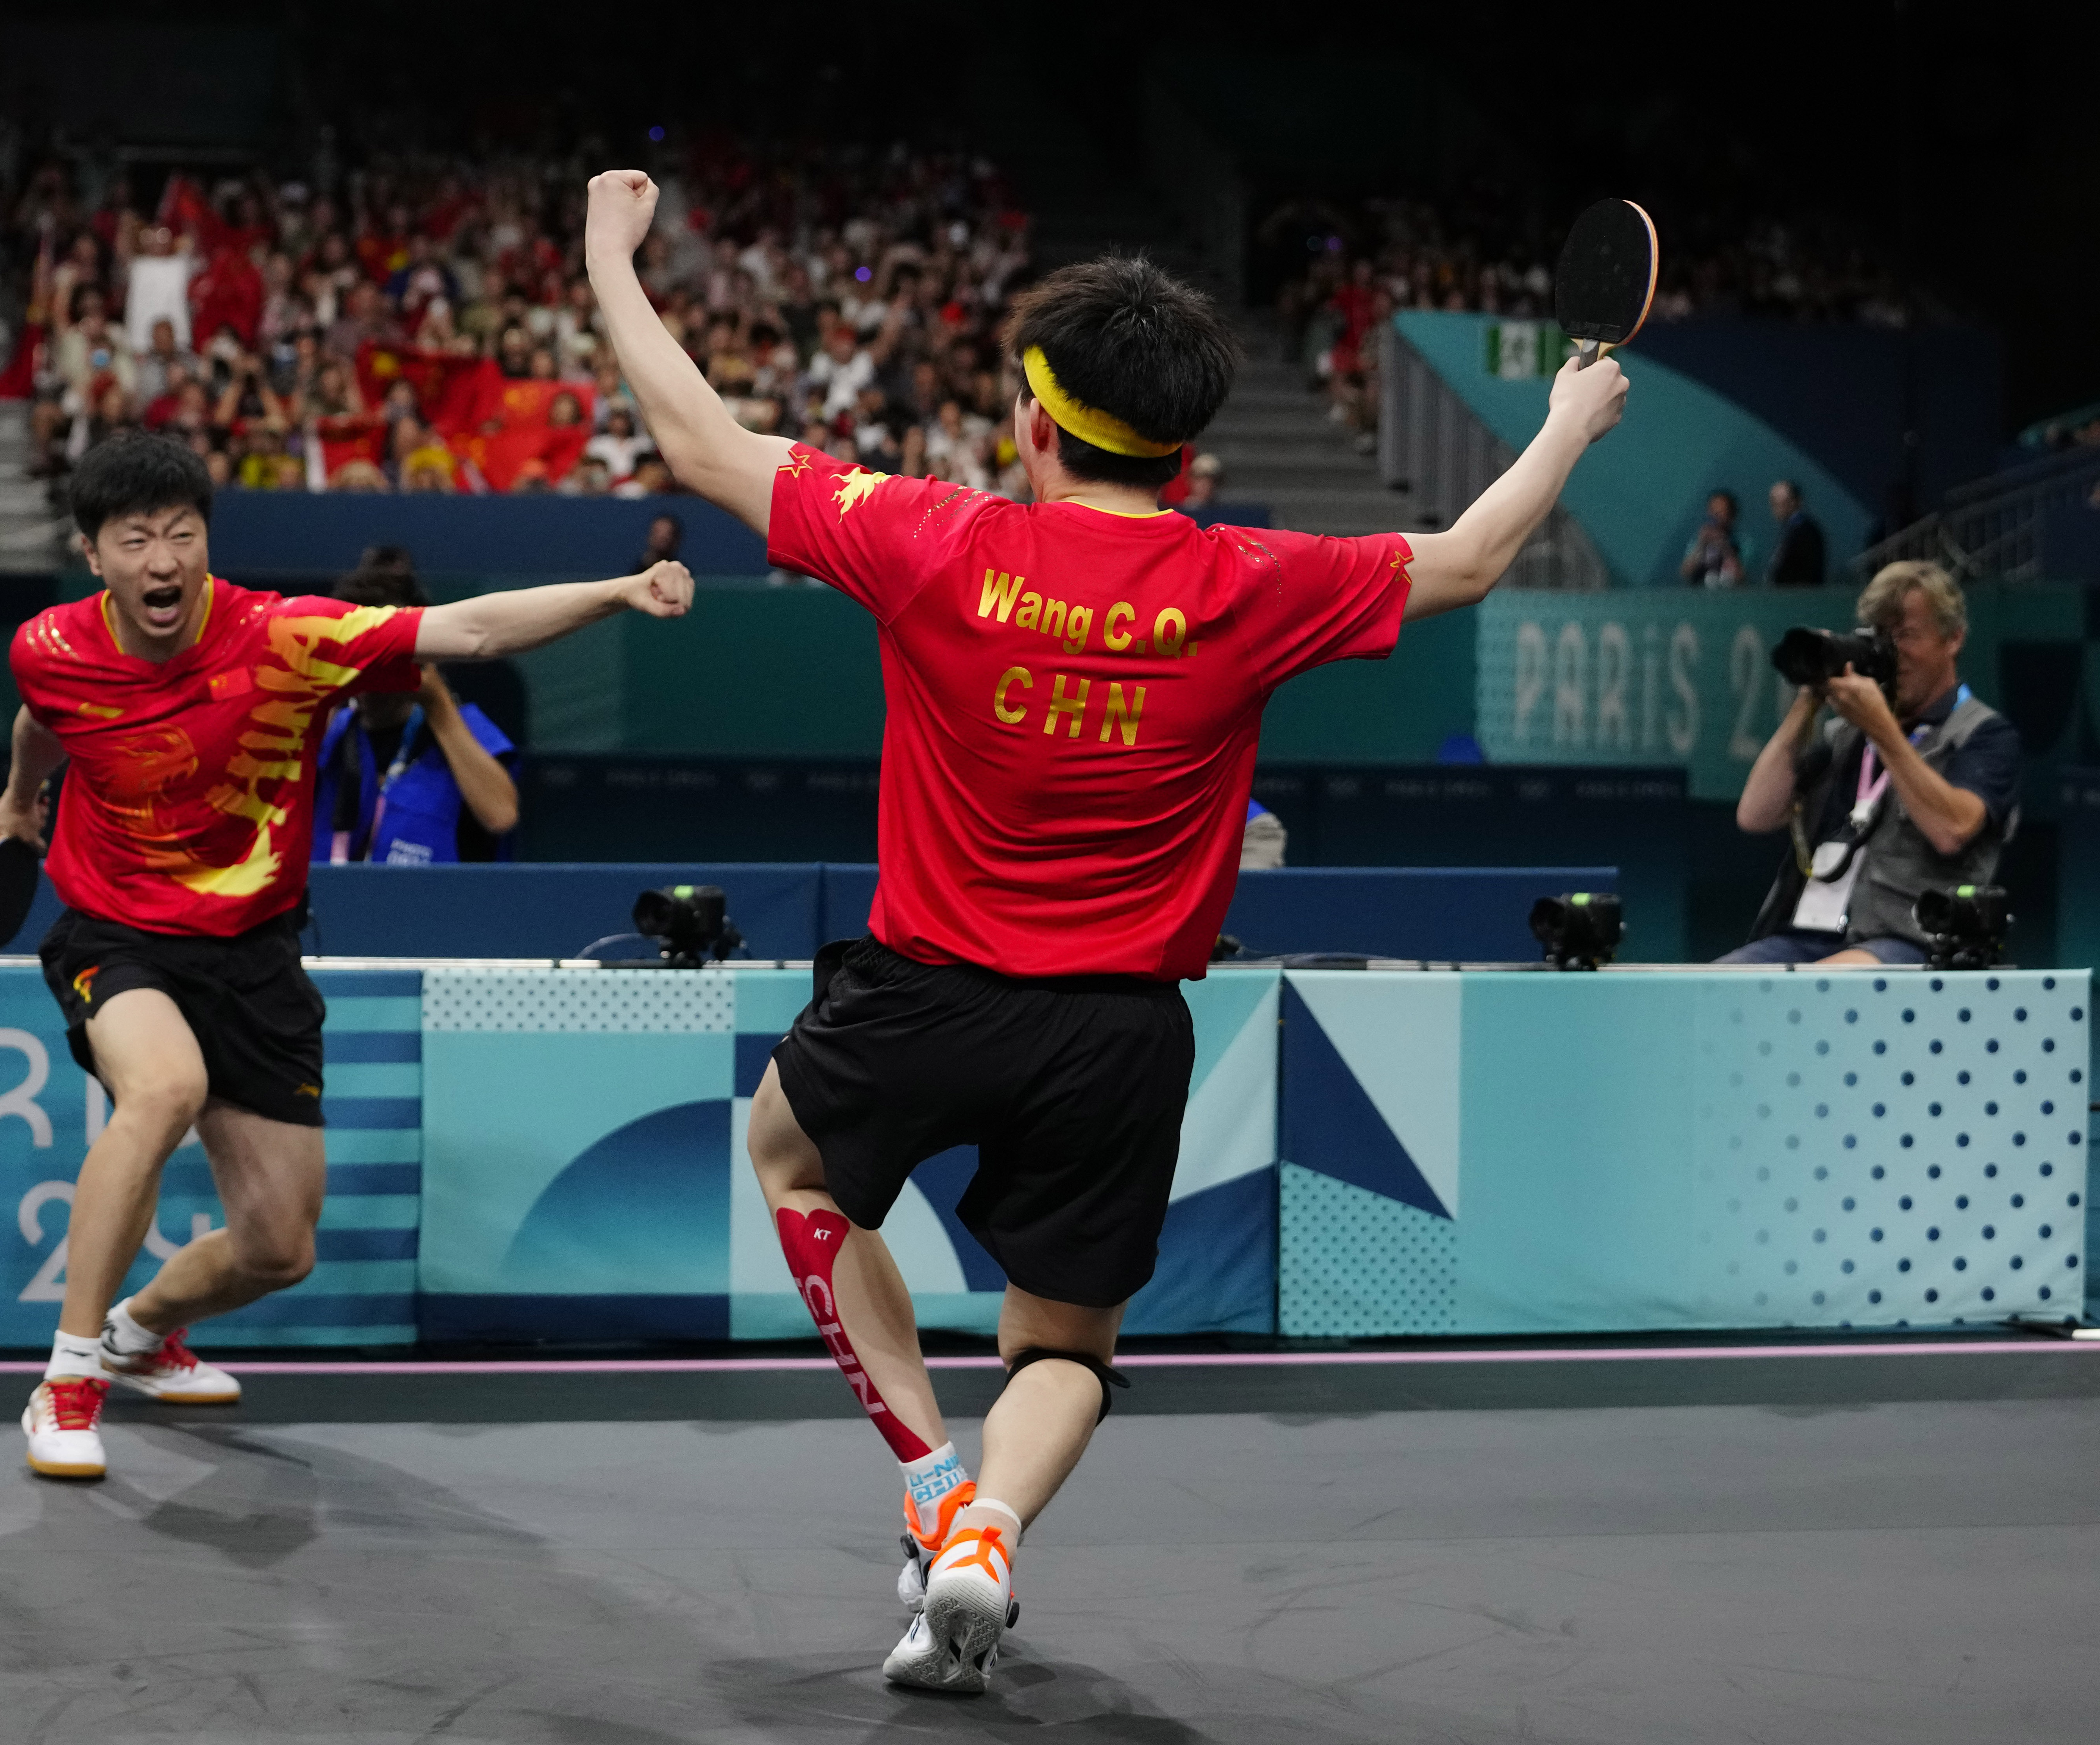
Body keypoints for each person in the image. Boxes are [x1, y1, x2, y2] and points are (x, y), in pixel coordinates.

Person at [585, 167, 1629, 1694]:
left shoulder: (933, 538)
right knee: (1064, 1349)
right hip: (1122, 1033)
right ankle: (992, 1530)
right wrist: (1569, 420)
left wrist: (616, 253)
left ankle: (931, 1478)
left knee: (790, 1154)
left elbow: (694, 439)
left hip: (923, 995)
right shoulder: (1251, 580)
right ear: (1186, 444)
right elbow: (1467, 557)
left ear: (1033, 418)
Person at [0, 431, 693, 1480]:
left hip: (252, 950)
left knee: (280, 1247)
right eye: (135, 539)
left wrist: (621, 589)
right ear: (93, 554)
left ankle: (140, 1335)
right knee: (162, 1090)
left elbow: (471, 629)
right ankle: (66, 1381)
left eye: (182, 534)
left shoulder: (285, 638)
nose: (163, 560)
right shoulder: (48, 649)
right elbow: (45, 721)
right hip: (119, 929)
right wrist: (19, 801)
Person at [1717, 561, 2017, 966]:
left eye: (1908, 636)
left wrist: (1883, 730)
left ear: (1953, 640)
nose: (1894, 653)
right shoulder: (1844, 736)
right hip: (1804, 936)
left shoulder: (1984, 735)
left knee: (1809, 990)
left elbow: (1953, 829)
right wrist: (1810, 699)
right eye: (1881, 637)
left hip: (1910, 941)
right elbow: (1755, 814)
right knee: (1714, 989)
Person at [314, 555, 520, 864]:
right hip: (330, 904)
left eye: (387, 654)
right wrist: (325, 693)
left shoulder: (461, 726)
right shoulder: (333, 729)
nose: (374, 675)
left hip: (430, 905)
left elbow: (501, 816)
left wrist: (437, 703)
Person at [1765, 479, 1827, 586]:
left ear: (1794, 501)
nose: (1775, 508)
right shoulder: (1789, 530)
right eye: (1773, 502)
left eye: (1780, 503)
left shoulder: (1806, 530)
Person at [1680, 487, 1745, 588]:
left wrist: (1724, 546)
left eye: (1721, 512)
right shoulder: (1697, 541)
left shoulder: (1744, 543)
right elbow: (1686, 573)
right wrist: (1701, 545)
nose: (1716, 516)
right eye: (1713, 511)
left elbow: (1742, 577)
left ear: (1732, 515)